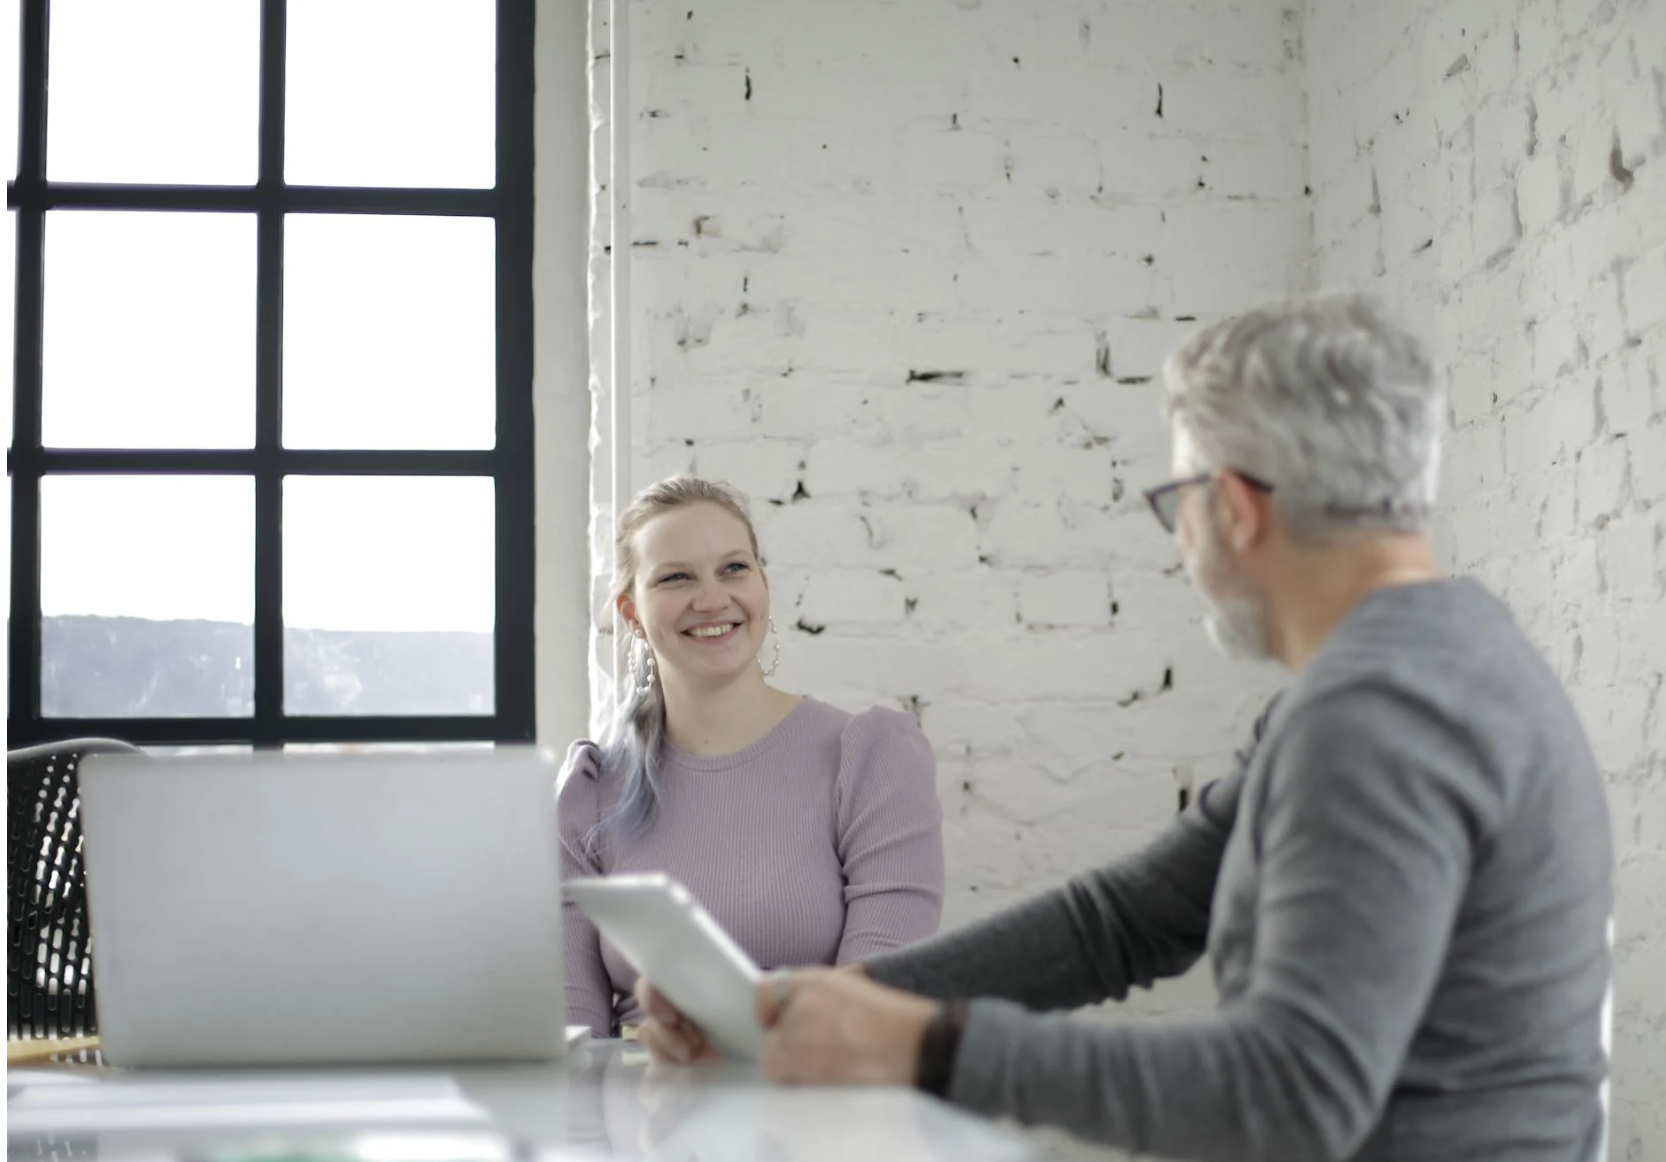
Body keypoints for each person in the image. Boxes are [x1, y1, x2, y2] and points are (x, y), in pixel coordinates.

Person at [634, 295, 1614, 1162]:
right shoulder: (1430, 661)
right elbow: (1126, 921)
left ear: (1231, 508)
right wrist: (801, 1009)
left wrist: (922, 1046)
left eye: (1176, 501)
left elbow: (1294, 1087)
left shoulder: (1377, 715)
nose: (1179, 541)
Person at [560, 475, 945, 1038]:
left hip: (819, 1106)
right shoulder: (591, 790)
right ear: (632, 613)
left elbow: (873, 1013)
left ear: (763, 582)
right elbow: (574, 1038)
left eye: (734, 568)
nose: (712, 598)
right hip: (639, 1110)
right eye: (675, 577)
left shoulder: (871, 762)